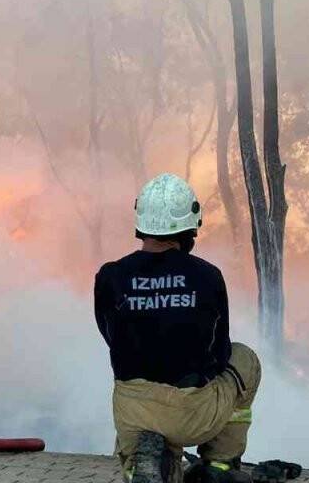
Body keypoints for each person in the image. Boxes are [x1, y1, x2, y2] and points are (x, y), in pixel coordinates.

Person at [94, 173, 262, 483]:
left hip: (133, 413)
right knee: (244, 358)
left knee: (145, 436)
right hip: (192, 415)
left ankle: (148, 461)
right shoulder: (207, 276)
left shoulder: (110, 276)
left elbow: (110, 336)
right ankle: (219, 465)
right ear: (190, 226)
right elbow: (221, 352)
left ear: (141, 221)